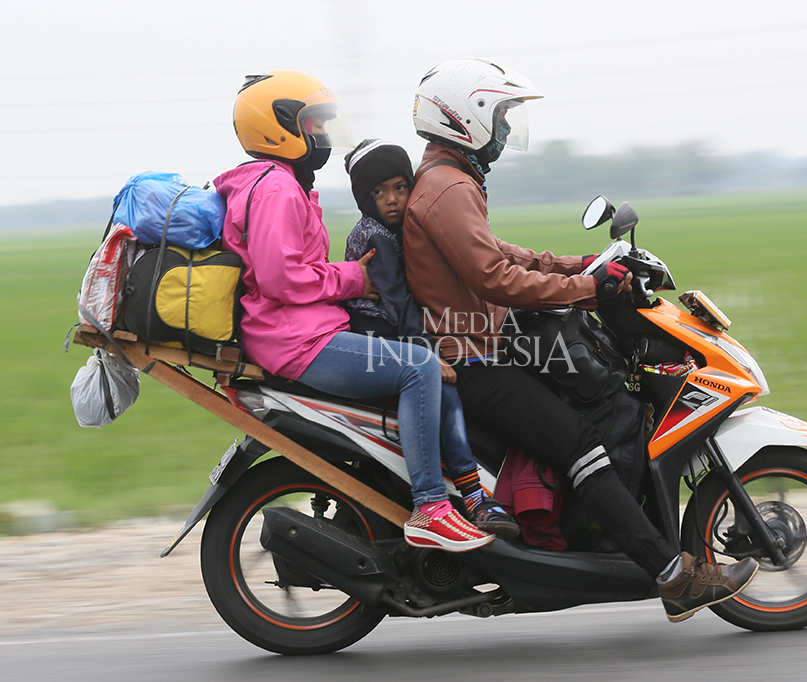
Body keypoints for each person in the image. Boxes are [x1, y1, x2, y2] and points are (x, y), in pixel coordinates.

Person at [403, 57, 759, 622]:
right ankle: (671, 574)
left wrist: (587, 266)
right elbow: (494, 278)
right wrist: (584, 286)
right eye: (498, 115)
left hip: (485, 347)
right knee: (579, 444)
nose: (503, 130)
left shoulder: (451, 181)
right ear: (463, 117)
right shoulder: (447, 187)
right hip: (472, 358)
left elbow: (506, 256)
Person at [213, 70, 493, 553]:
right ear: (279, 127)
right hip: (298, 342)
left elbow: (291, 269)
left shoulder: (276, 184)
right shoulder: (277, 189)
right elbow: (284, 279)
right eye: (314, 125)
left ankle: (460, 487)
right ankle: (431, 508)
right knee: (421, 366)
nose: (322, 136)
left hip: (304, 331)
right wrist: (354, 278)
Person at [341, 137, 518, 537]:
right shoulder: (375, 235)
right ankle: (472, 494)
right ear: (363, 198)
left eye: (400, 187)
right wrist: (425, 353)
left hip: (396, 328)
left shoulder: (404, 227)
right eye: (379, 192)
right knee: (443, 390)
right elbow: (400, 303)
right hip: (380, 331)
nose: (392, 200)